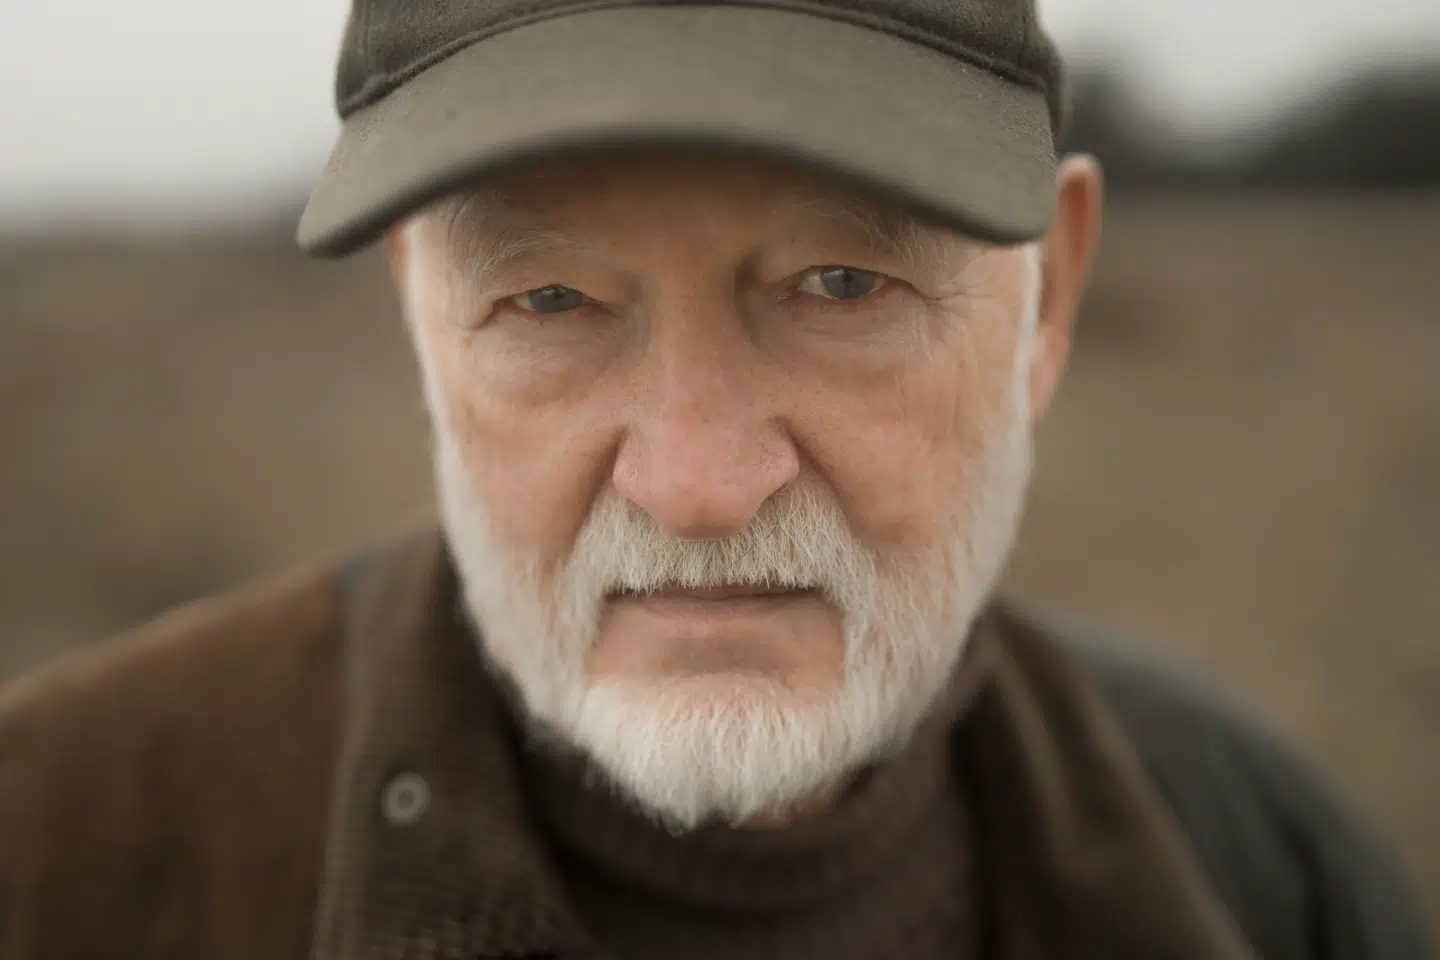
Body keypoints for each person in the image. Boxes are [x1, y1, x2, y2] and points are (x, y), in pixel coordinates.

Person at [0, 0, 1430, 958]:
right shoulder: (59, 853)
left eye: (841, 281)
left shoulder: (1265, 861)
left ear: (1046, 302)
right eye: (549, 301)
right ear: (419, 310)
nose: (696, 485)